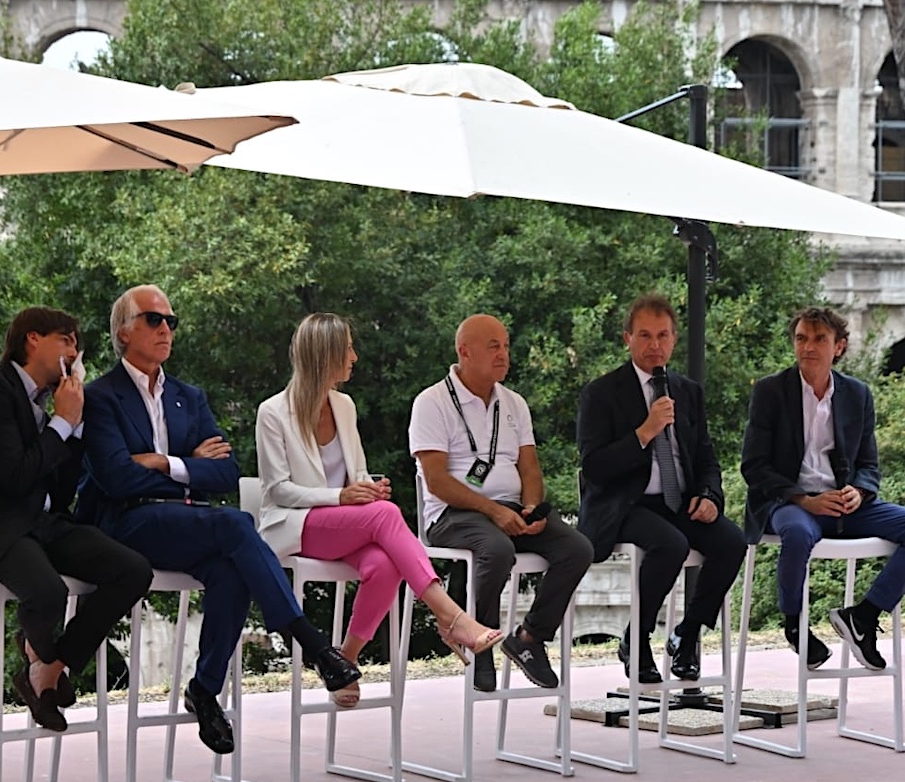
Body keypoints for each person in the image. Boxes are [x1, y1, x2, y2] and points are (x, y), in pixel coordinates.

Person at [77, 285, 360, 755]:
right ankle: (311, 643)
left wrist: (163, 462)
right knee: (235, 525)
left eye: (171, 321)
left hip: (184, 524)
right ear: (123, 332)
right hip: (127, 526)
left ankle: (204, 690)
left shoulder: (189, 397)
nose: (166, 329)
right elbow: (117, 479)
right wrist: (191, 465)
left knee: (231, 567)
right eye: (154, 320)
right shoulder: (100, 397)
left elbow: (226, 473)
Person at [255, 313, 503, 707]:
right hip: (294, 525)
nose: (354, 357)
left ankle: (345, 660)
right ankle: (451, 617)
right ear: (326, 355)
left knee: (386, 565)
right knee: (385, 514)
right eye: (348, 349)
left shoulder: (344, 405)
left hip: (341, 525)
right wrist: (342, 497)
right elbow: (277, 490)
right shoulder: (272, 412)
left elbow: (355, 473)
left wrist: (367, 489)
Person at [0, 307, 153, 732]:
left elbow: (62, 488)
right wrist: (62, 422)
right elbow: (15, 475)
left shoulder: (49, 403)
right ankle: (38, 653)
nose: (74, 354)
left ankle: (50, 667)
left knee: (132, 570)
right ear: (33, 339)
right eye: (66, 341)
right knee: (48, 592)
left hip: (41, 523)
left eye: (78, 346)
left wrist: (74, 426)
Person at [741, 306, 905, 670]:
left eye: (820, 339)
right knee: (798, 534)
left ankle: (863, 617)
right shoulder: (771, 391)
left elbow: (869, 464)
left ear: (839, 346)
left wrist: (859, 492)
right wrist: (804, 499)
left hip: (844, 505)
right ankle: (795, 626)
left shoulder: (857, 394)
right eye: (801, 338)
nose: (808, 347)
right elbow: (754, 466)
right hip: (790, 503)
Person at [409, 314, 593, 693]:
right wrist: (492, 510)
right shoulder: (432, 402)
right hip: (452, 515)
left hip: (509, 510)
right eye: (493, 346)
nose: (503, 355)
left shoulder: (513, 403)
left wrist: (531, 508)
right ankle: (479, 642)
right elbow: (437, 481)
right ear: (464, 352)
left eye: (506, 346)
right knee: (496, 548)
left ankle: (529, 639)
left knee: (577, 548)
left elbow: (530, 468)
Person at [576, 294, 744, 684]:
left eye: (663, 335)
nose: (655, 345)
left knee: (732, 541)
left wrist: (709, 495)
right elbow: (595, 467)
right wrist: (644, 432)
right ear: (627, 339)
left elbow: (705, 456)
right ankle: (637, 640)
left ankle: (687, 635)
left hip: (679, 501)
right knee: (671, 544)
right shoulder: (601, 393)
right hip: (625, 504)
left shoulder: (687, 391)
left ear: (674, 339)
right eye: (645, 335)